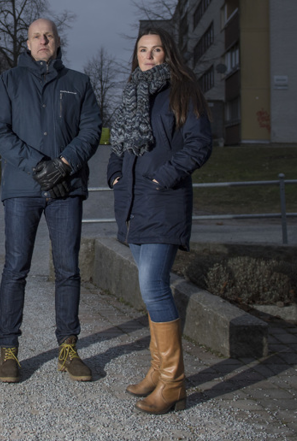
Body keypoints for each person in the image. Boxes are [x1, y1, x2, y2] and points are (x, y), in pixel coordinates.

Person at [0, 18, 102, 383]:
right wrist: (39, 166)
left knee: (68, 269)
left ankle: (67, 347)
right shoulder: (9, 81)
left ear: (57, 41)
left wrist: (63, 165)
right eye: (36, 36)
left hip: (65, 190)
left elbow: (91, 130)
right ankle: (8, 350)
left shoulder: (78, 83)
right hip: (22, 190)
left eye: (48, 35)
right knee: (16, 268)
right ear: (27, 42)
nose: (43, 40)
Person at [107, 27, 212, 414]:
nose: (148, 56)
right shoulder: (132, 95)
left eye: (156, 50)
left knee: (154, 287)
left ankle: (174, 384)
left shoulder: (184, 93)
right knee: (149, 289)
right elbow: (117, 146)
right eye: (142, 50)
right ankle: (156, 372)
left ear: (169, 54)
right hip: (133, 206)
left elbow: (199, 145)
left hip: (164, 202)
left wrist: (162, 176)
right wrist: (115, 176)